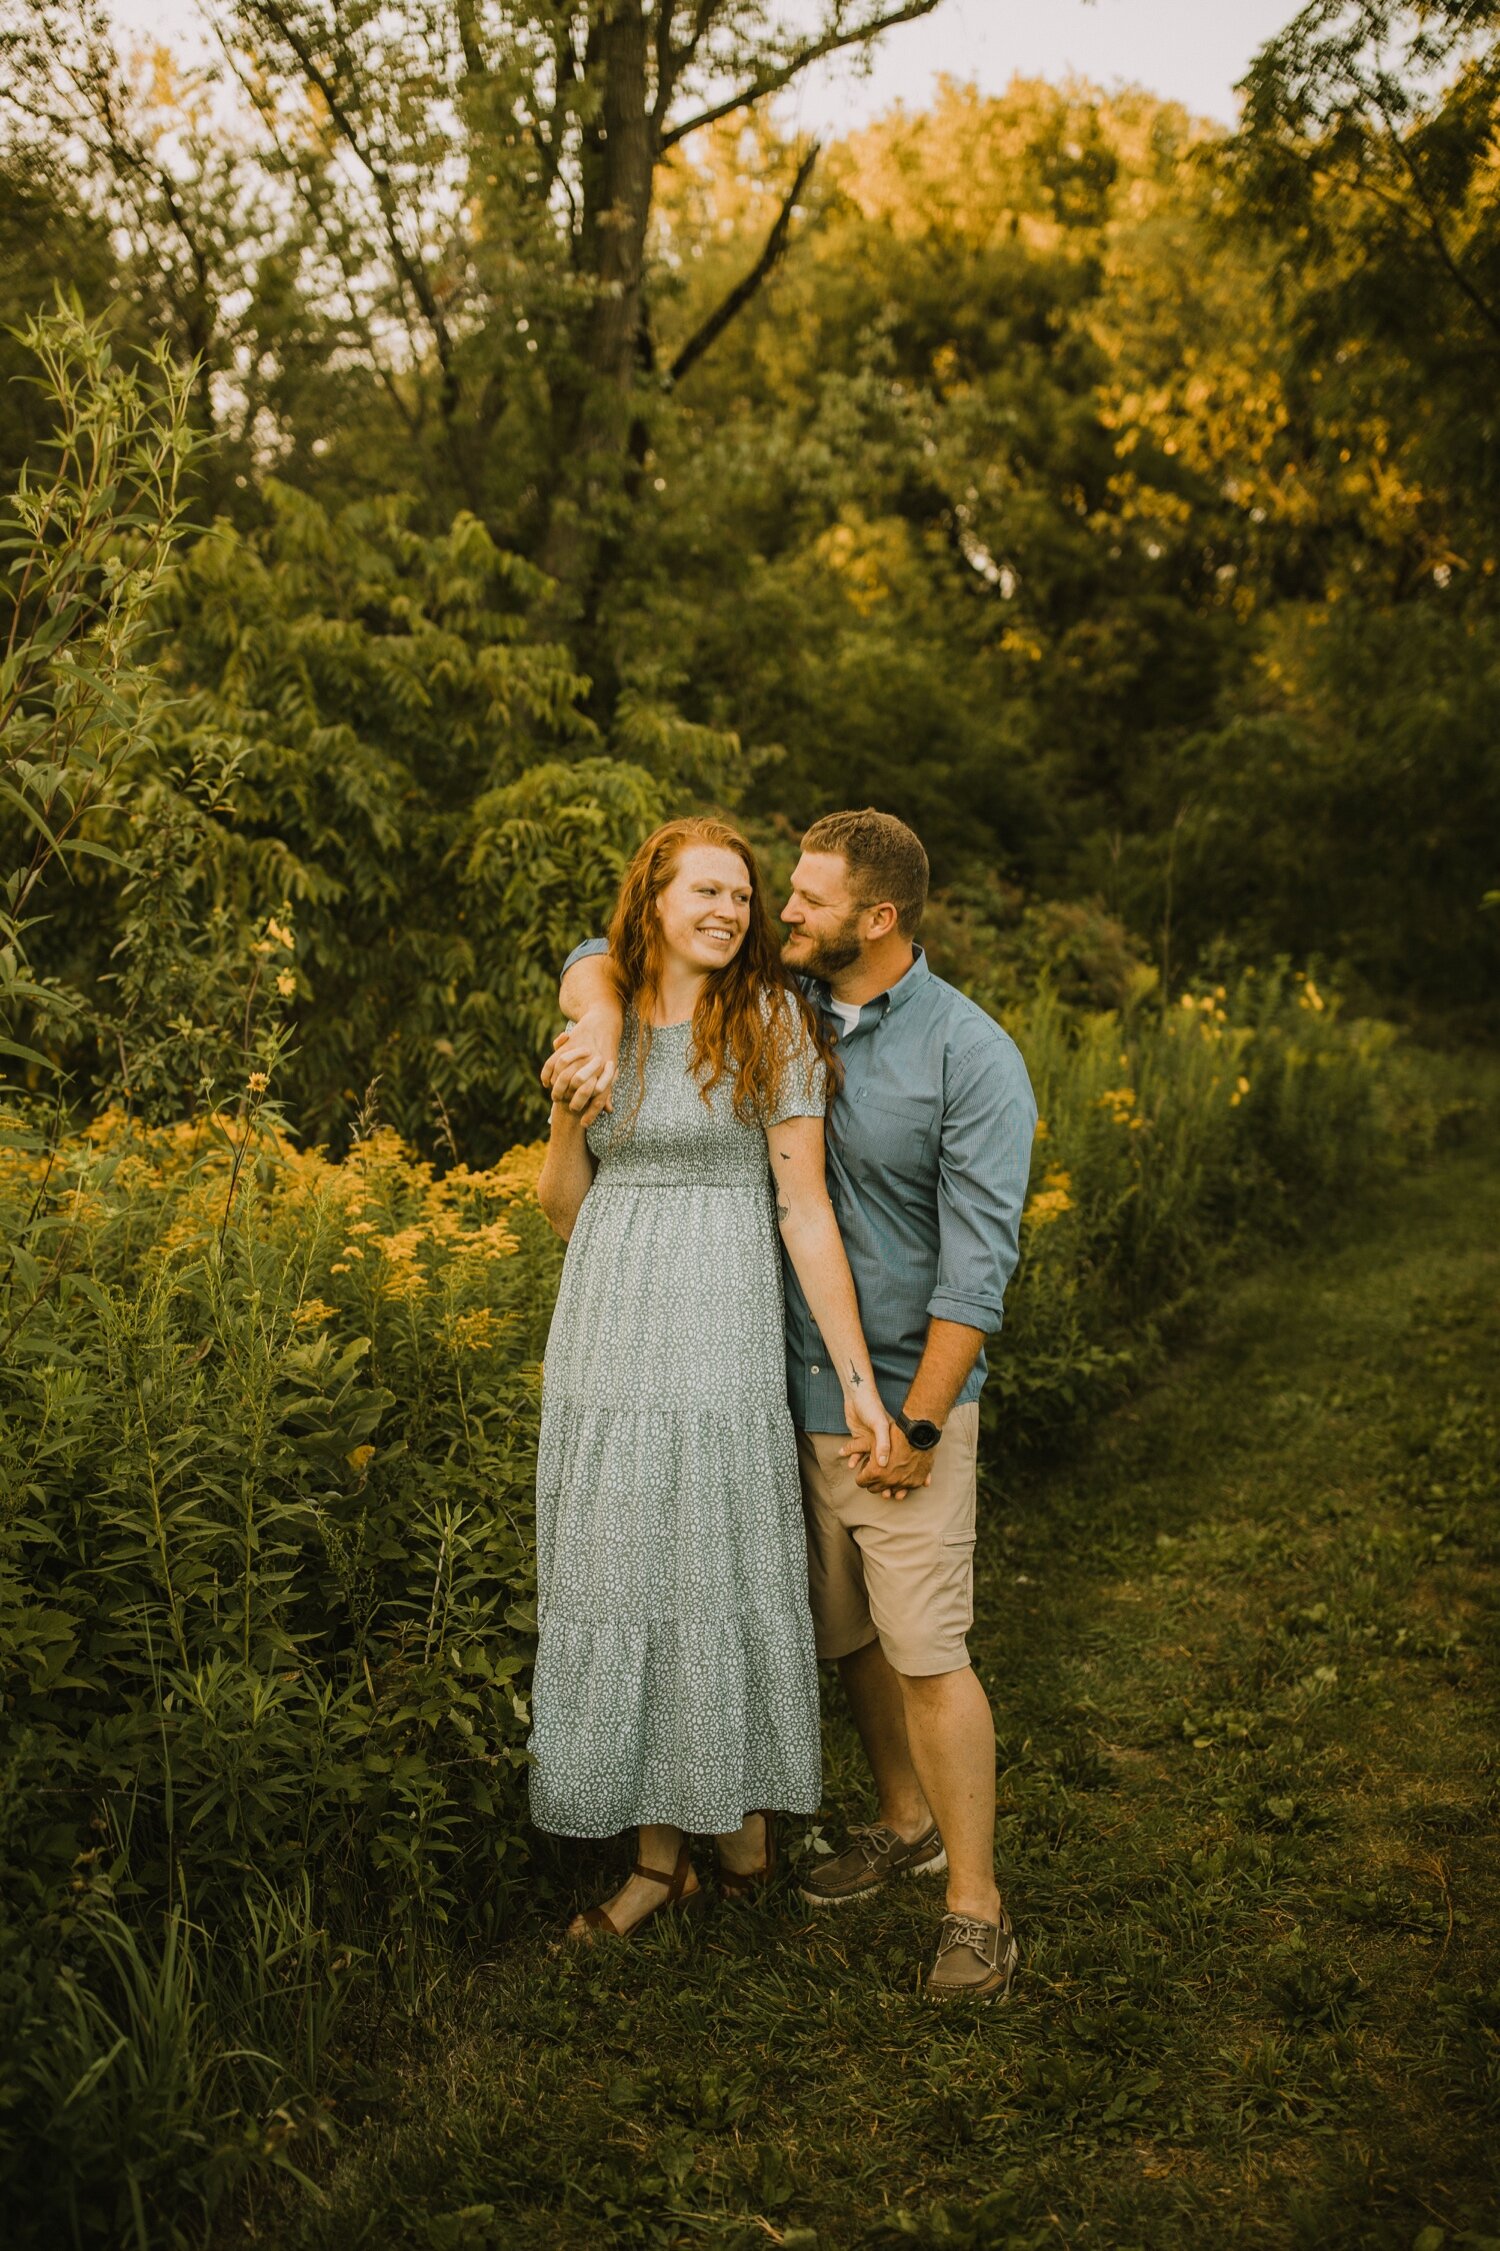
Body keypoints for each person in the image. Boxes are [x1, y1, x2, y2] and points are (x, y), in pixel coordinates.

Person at [546, 808, 1036, 1999]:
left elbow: (912, 1244)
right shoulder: (710, 1003)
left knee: (877, 1629)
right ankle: (806, 1829)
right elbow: (568, 1160)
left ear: (870, 917)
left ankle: (961, 1900)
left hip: (811, 1369)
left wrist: (904, 1409)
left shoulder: (888, 1036)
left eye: (767, 897)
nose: (757, 912)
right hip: (690, 1352)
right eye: (724, 893)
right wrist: (586, 1043)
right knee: (776, 1612)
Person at [532, 815, 894, 1941]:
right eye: (708, 890)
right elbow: (563, 1207)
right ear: (652, 898)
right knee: (623, 1559)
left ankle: (730, 1820)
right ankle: (659, 1858)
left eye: (742, 894)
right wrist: (561, 1115)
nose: (732, 910)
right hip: (605, 1325)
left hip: (716, 1326)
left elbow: (802, 1205)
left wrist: (859, 1379)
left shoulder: (769, 1017)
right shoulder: (603, 1021)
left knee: (711, 1559)